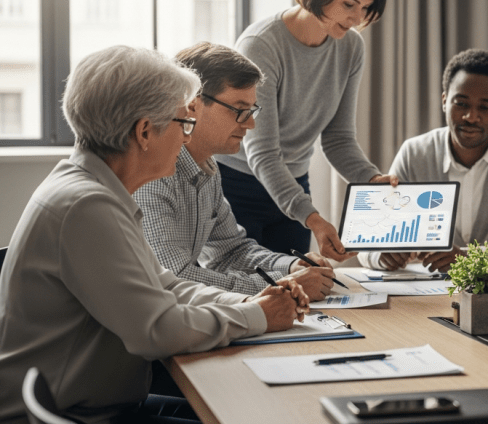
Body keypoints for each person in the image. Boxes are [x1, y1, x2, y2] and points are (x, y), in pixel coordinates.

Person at [0, 46, 308, 423]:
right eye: (184, 123)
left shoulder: (93, 187)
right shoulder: (87, 206)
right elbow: (158, 330)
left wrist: (253, 301)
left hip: (94, 404)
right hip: (77, 415)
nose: (185, 138)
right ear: (145, 132)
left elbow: (168, 285)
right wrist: (256, 316)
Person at [218, 0, 397, 261]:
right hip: (236, 186)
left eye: (365, 8)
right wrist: (312, 217)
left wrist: (371, 180)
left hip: (293, 184)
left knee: (298, 297)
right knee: (245, 294)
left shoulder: (351, 48)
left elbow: (339, 139)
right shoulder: (261, 45)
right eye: (348, 4)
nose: (357, 20)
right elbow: (263, 152)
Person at [134, 43, 338, 300]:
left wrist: (291, 266)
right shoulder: (153, 176)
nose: (251, 124)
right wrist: (284, 283)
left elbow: (231, 251)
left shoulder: (208, 170)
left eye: (251, 111)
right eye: (240, 110)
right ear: (193, 105)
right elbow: (176, 279)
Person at [358, 49, 488, 273]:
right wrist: (382, 255)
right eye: (461, 104)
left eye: (484, 107)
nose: (471, 117)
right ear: (445, 101)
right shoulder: (414, 152)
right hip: (425, 292)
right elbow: (368, 243)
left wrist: (470, 257)